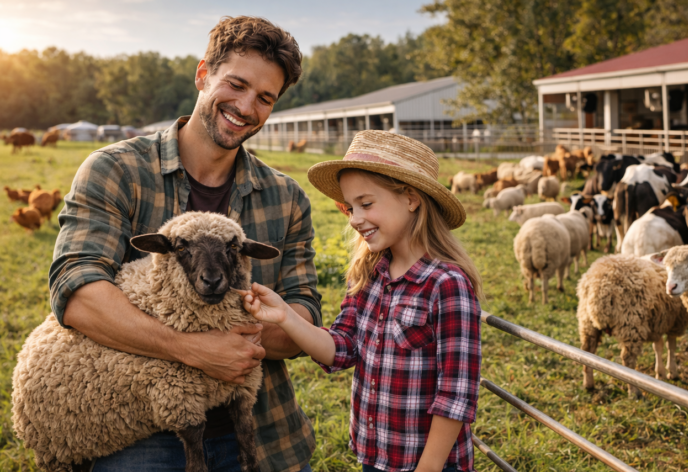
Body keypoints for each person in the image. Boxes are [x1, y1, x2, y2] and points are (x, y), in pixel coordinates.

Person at [49, 16, 320, 472]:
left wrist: (246, 341)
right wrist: (189, 347)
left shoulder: (286, 197)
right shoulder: (115, 170)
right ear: (202, 75)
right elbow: (76, 292)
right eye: (236, 84)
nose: (246, 106)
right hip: (142, 428)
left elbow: (305, 311)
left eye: (265, 98)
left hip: (258, 425)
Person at [238, 130, 484, 472]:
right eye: (350, 208)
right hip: (377, 458)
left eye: (366, 204)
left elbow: (456, 397)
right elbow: (341, 349)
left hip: (431, 464)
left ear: (411, 198)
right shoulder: (368, 276)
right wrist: (285, 317)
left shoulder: (446, 285)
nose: (354, 219)